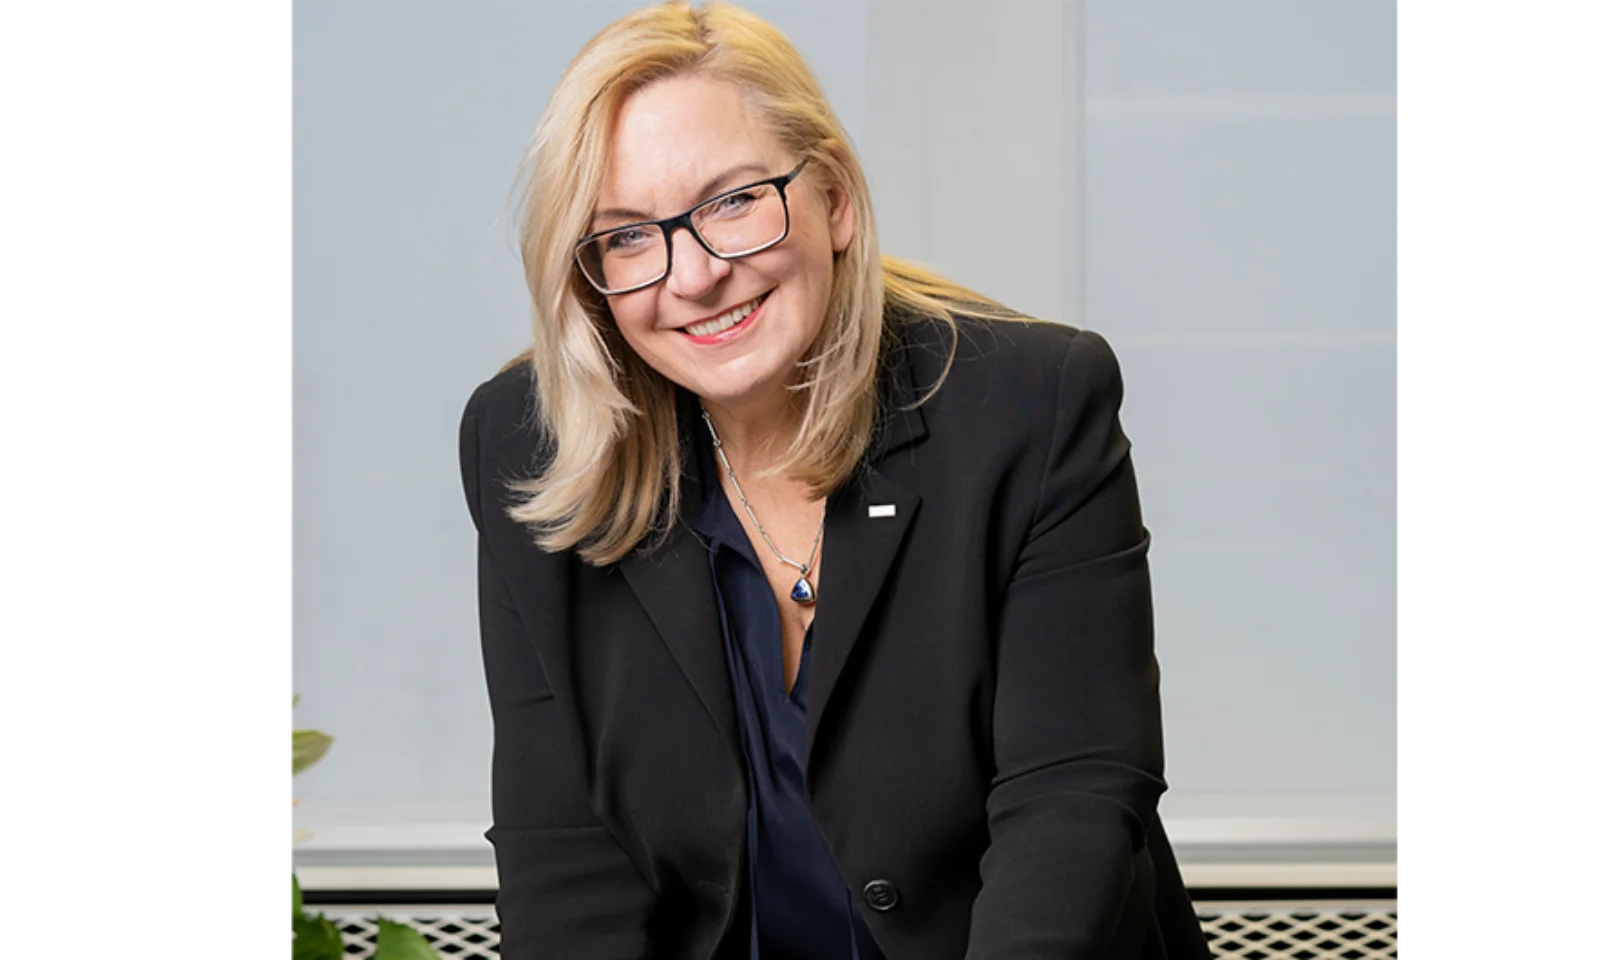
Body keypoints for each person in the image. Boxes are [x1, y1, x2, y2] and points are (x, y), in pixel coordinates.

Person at [459, 2, 1212, 957]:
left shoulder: (1030, 407)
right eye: (628, 236)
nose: (691, 276)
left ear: (837, 200)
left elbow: (1070, 803)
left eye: (733, 200)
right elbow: (564, 864)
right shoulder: (527, 445)